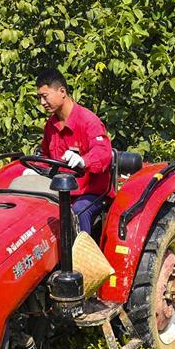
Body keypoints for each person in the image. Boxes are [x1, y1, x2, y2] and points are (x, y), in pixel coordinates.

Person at [36, 68, 114, 234]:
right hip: (60, 191)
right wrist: (33, 169)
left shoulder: (88, 121)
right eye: (39, 98)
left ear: (62, 91)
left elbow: (103, 153)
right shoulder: (51, 126)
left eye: (45, 96)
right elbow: (44, 156)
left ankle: (80, 259)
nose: (42, 103)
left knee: (78, 213)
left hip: (90, 193)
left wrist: (84, 161)